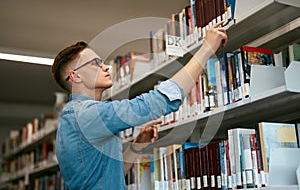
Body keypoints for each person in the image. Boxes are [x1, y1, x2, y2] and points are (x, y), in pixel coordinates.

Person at [50, 21, 227, 189]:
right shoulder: (85, 115)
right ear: (75, 76)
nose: (106, 67)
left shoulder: (76, 116)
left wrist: (137, 146)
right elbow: (159, 101)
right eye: (95, 64)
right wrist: (206, 49)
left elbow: (110, 177)